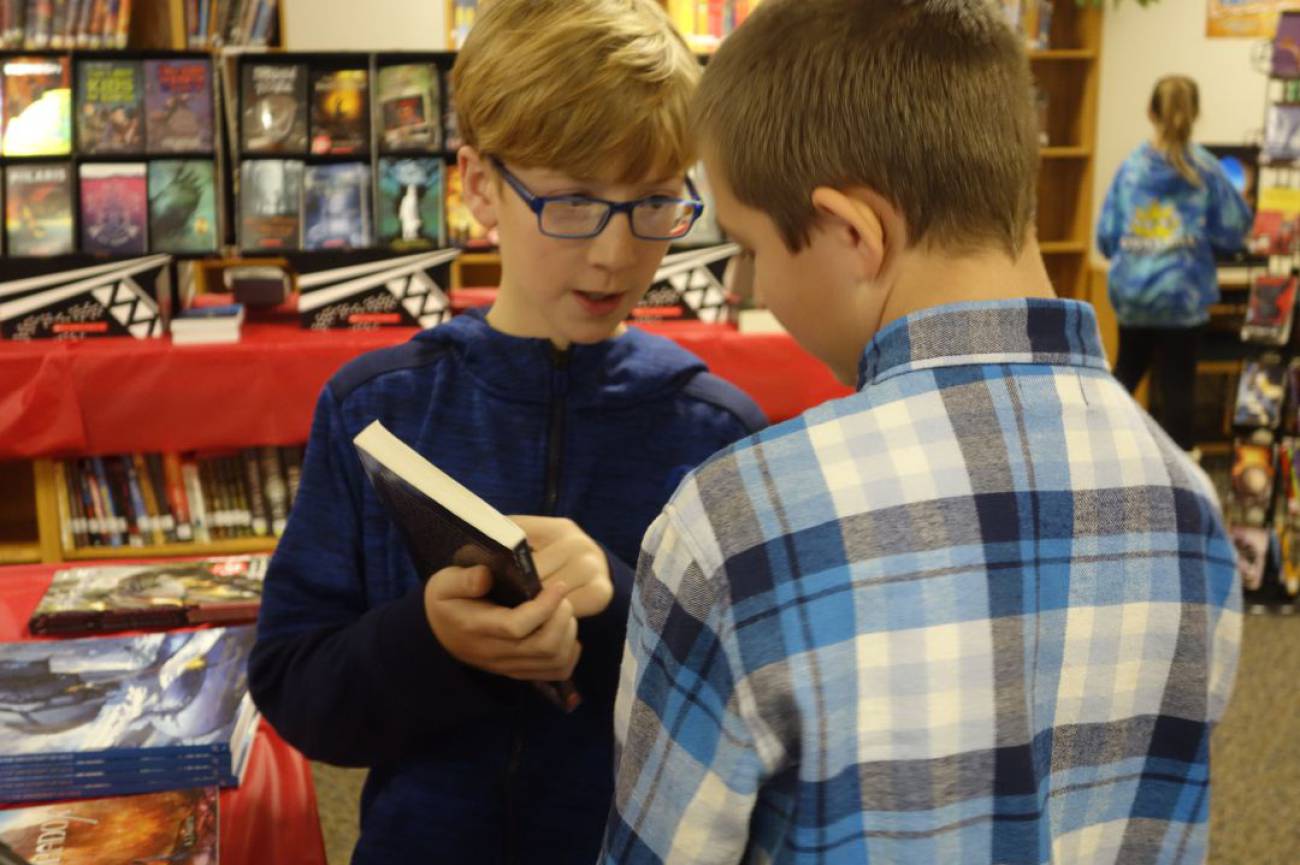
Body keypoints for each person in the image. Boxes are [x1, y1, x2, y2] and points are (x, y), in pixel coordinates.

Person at [602, 2, 1241, 863]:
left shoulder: (735, 523)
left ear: (853, 233)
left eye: (750, 247)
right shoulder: (1190, 504)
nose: (751, 282)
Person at [248, 2, 765, 862]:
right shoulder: (375, 408)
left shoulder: (717, 432)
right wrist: (429, 639)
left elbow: (752, 717)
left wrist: (618, 610)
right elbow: (295, 685)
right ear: (479, 185)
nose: (611, 254)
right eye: (569, 203)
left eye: (653, 204)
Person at [1098, 75, 1252, 458]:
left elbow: (1106, 237)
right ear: (1196, 113)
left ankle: (1098, 447)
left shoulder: (1131, 169)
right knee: (1179, 385)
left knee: (1127, 371)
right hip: (1182, 297)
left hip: (1133, 294)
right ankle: (1182, 470)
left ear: (1150, 112)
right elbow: (1234, 231)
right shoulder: (1207, 170)